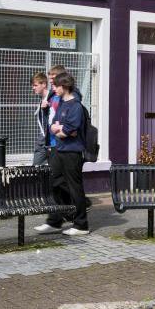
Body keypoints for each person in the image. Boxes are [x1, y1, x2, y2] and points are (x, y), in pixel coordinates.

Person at [34, 72, 91, 236]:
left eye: (56, 86)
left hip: (72, 153)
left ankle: (81, 225)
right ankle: (55, 221)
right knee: (54, 184)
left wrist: (61, 130)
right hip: (59, 150)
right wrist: (59, 129)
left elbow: (70, 131)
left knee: (75, 187)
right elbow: (53, 125)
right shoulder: (63, 105)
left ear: (64, 87)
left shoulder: (76, 106)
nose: (54, 89)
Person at [30, 72, 50, 166]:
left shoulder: (51, 99)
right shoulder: (42, 100)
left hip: (50, 141)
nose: (33, 88)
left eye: (35, 85)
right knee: (36, 168)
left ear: (44, 84)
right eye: (33, 85)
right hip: (42, 140)